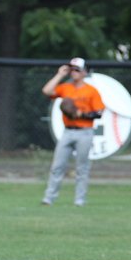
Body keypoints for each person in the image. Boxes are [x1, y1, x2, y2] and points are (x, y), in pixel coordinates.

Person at [41, 57, 105, 207]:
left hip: (85, 132)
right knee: (57, 166)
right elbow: (46, 91)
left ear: (84, 72)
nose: (73, 72)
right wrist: (60, 75)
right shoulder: (65, 88)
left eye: (77, 70)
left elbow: (99, 113)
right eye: (72, 69)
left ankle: (79, 200)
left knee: (82, 168)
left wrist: (81, 114)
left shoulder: (91, 91)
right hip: (68, 132)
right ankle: (49, 198)